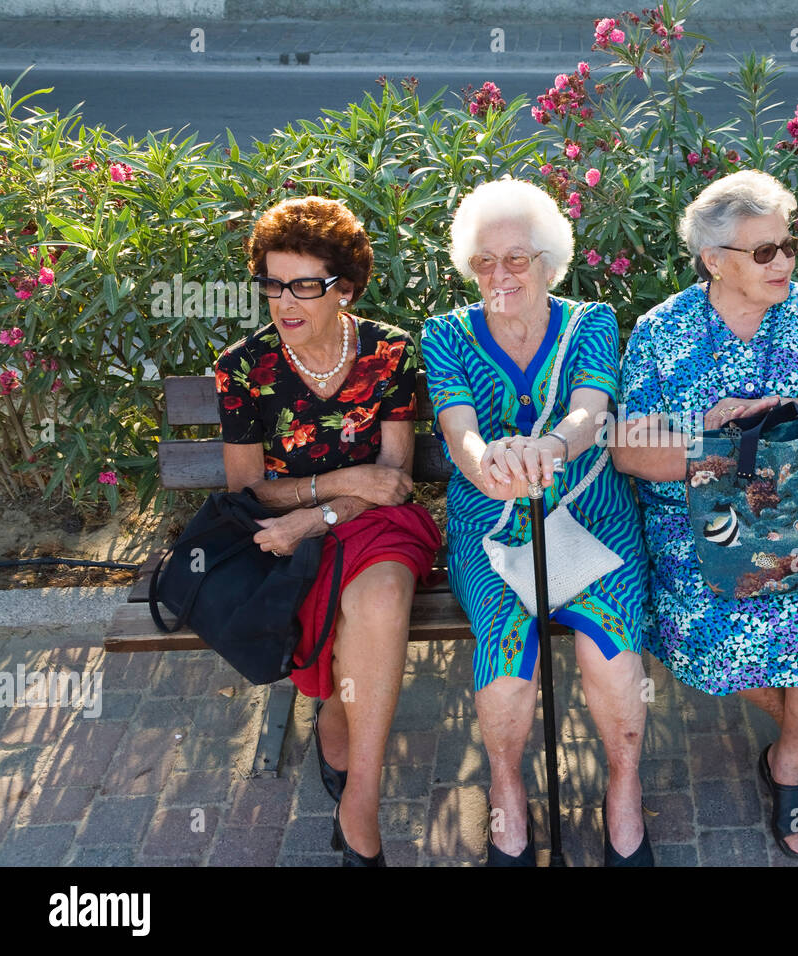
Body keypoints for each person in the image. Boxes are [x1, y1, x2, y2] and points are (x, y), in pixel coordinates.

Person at [614, 169, 798, 859]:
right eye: (763, 251)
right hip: (706, 533)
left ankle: (792, 763)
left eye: (787, 245)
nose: (783, 262)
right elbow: (627, 450)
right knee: (720, 627)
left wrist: (787, 414)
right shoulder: (664, 331)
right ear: (713, 260)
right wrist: (710, 437)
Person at [421, 178, 652, 867]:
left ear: (549, 261)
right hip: (490, 524)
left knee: (609, 656)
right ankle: (505, 789)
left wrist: (550, 448)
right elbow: (457, 429)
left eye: (517, 259)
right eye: (485, 262)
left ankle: (623, 785)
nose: (500, 276)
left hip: (592, 509)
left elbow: (588, 411)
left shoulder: (592, 323)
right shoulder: (446, 335)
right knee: (506, 660)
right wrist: (487, 461)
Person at [216, 196, 442, 866]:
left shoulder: (388, 352)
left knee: (376, 600)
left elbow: (395, 477)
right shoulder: (244, 368)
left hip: (378, 525)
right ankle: (336, 713)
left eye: (304, 286)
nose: (285, 302)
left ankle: (362, 804)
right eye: (272, 284)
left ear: (343, 287)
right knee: (345, 630)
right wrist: (334, 490)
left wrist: (324, 511)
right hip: (288, 537)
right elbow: (247, 492)